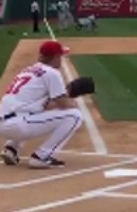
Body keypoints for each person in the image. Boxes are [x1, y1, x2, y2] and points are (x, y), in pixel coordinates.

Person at [0, 40, 83, 168]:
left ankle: (12, 148)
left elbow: (45, 105)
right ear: (55, 57)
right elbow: (63, 104)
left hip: (5, 124)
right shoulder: (52, 73)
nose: (62, 59)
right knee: (75, 116)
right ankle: (42, 156)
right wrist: (73, 101)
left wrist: (63, 97)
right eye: (61, 56)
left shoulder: (27, 70)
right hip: (18, 125)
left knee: (34, 111)